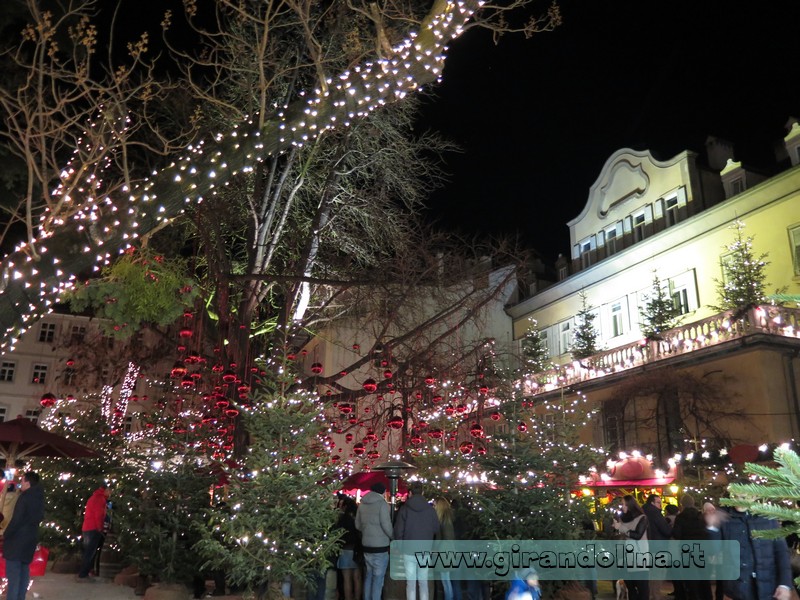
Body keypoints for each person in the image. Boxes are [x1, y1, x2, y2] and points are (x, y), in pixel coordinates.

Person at [706, 498, 793, 600]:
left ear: (754, 496)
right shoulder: (724, 518)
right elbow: (713, 551)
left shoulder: (767, 517)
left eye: (743, 497)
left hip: (768, 587)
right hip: (738, 589)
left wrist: (784, 584)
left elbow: (781, 552)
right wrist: (712, 527)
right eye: (735, 496)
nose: (739, 500)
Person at [394, 483, 440, 600]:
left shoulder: (404, 509)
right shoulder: (430, 510)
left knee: (411, 583)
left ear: (410, 493)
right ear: (422, 493)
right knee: (423, 582)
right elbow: (436, 528)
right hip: (425, 549)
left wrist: (400, 547)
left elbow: (398, 531)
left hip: (408, 549)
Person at [3, 471, 45, 600]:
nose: (20, 483)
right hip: (30, 539)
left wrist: (6, 534)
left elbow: (17, 520)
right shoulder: (39, 497)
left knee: (14, 577)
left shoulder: (25, 497)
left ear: (27, 482)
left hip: (17, 541)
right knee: (23, 572)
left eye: (22, 481)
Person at [355, 483, 393, 600]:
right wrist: (393, 536)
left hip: (366, 545)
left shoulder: (362, 504)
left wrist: (367, 531)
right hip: (380, 546)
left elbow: (357, 525)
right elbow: (386, 524)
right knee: (378, 578)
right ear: (382, 492)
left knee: (369, 575)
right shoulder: (382, 504)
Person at [671, 495, 710, 600]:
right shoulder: (700, 516)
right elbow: (707, 533)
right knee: (704, 577)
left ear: (682, 504)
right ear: (693, 503)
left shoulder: (680, 517)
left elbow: (677, 534)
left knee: (691, 579)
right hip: (701, 549)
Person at [613, 495, 650, 600]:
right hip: (626, 558)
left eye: (624, 504)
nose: (622, 507)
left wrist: (621, 527)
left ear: (630, 505)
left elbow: (638, 535)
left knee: (642, 589)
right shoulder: (622, 519)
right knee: (630, 588)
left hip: (639, 557)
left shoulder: (642, 518)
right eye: (622, 504)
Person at [77, 483, 111, 581]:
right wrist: (100, 528)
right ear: (105, 490)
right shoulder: (100, 499)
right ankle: (83, 574)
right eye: (109, 491)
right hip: (93, 528)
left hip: (87, 527)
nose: (110, 493)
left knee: (88, 551)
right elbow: (99, 515)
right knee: (90, 552)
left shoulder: (94, 497)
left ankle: (85, 572)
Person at [643, 495, 672, 600]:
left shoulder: (642, 512)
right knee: (658, 573)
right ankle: (655, 595)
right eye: (658, 502)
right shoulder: (655, 513)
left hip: (647, 547)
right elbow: (666, 530)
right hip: (659, 547)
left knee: (651, 573)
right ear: (652, 503)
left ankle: (650, 594)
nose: (661, 505)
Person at [337, 496, 363, 600]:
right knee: (357, 578)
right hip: (356, 550)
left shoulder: (342, 520)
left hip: (344, 550)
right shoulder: (358, 518)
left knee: (346, 579)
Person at [434, 497, 457, 600]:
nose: (434, 506)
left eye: (435, 504)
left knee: (445, 579)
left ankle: (449, 597)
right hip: (448, 551)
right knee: (446, 578)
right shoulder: (448, 518)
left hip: (444, 552)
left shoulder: (443, 520)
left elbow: (443, 537)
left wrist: (436, 548)